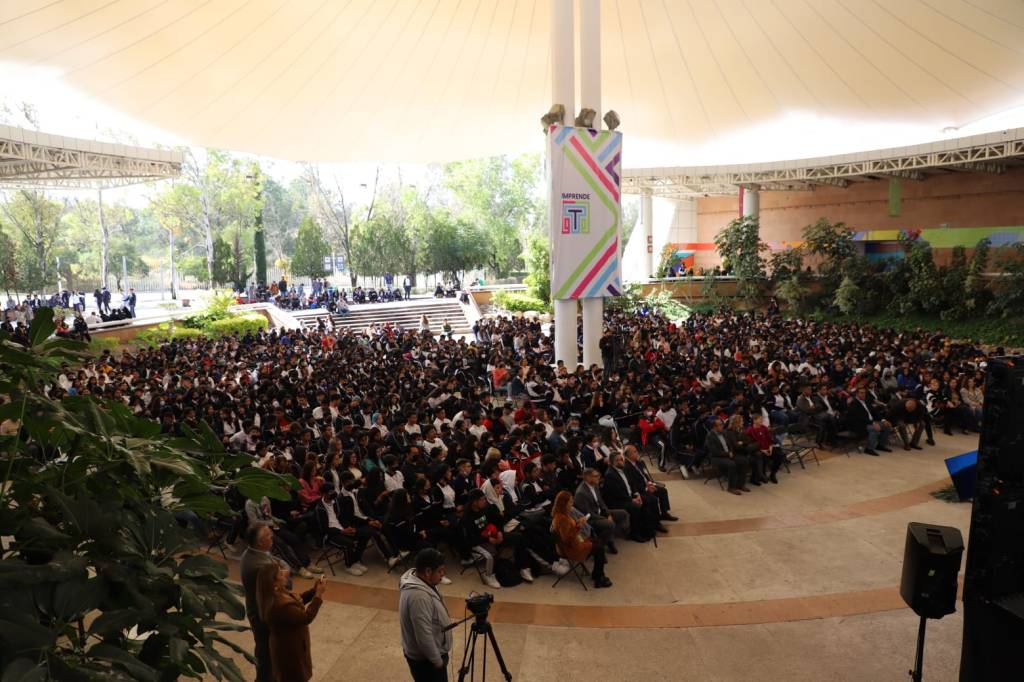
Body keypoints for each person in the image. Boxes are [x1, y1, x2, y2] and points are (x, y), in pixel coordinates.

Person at [255, 562, 326, 682]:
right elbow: (306, 617)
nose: (285, 573)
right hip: (290, 651)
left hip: (289, 645)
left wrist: (314, 590)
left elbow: (298, 600)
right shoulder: (279, 605)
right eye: (280, 573)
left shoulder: (276, 593)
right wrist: (318, 595)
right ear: (274, 582)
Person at [399, 548, 453, 682]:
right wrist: (437, 661)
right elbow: (423, 634)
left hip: (429, 657)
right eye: (440, 571)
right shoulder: (419, 597)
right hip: (426, 662)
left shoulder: (424, 581)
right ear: (428, 571)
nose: (443, 574)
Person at [241, 525, 279, 682]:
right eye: (268, 535)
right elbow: (286, 584)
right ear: (260, 542)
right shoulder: (260, 566)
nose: (272, 536)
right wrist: (282, 572)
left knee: (266, 650)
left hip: (257, 608)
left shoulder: (251, 553)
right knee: (266, 654)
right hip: (262, 614)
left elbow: (277, 562)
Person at [551, 490, 612, 588]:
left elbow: (570, 532)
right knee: (599, 548)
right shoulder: (562, 519)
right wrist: (578, 526)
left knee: (598, 542)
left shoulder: (563, 514)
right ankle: (599, 578)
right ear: (564, 504)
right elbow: (567, 540)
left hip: (575, 542)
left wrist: (578, 526)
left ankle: (597, 574)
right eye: (570, 502)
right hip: (571, 549)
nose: (572, 504)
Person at [704, 418, 749, 495]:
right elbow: (714, 452)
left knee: (744, 461)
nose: (722, 426)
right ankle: (731, 487)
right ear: (714, 427)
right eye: (720, 425)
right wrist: (727, 454)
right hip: (716, 457)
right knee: (732, 464)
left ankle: (740, 484)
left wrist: (731, 452)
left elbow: (729, 445)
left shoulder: (724, 433)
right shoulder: (710, 436)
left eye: (722, 424)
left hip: (728, 454)